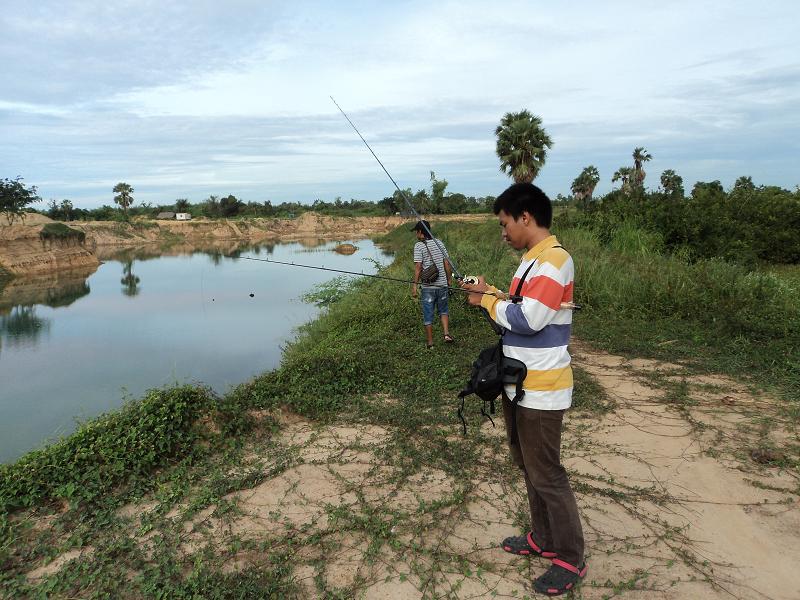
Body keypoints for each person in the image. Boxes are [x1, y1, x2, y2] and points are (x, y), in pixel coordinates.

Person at [463, 183, 586, 596]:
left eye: (504, 223)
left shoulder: (554, 260)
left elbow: (530, 318)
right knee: (528, 466)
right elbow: (515, 310)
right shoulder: (530, 263)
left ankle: (569, 556)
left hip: (543, 389)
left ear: (525, 217)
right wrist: (491, 294)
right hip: (519, 384)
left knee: (547, 472)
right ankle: (542, 538)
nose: (502, 232)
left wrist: (486, 301)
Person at [410, 220, 454, 349]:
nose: (416, 235)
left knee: (428, 314)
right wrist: (449, 281)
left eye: (416, 232)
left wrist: (414, 285)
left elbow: (418, 267)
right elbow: (447, 263)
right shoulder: (439, 242)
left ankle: (430, 343)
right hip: (442, 285)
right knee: (444, 311)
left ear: (420, 232)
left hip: (428, 287)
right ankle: (446, 335)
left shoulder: (418, 246)